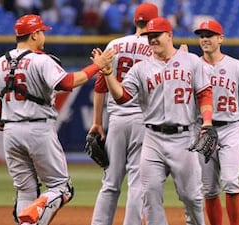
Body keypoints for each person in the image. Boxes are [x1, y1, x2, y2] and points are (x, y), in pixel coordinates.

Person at [0, 14, 114, 225]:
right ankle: (39, 206)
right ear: (34, 34)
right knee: (63, 188)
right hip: (38, 130)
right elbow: (69, 82)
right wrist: (97, 66)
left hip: (10, 133)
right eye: (42, 31)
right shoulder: (41, 60)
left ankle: (29, 218)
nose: (44, 35)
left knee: (25, 189)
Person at [101, 16, 214, 225]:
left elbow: (205, 93)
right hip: (152, 138)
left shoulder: (191, 61)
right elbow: (122, 97)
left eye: (156, 36)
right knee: (150, 195)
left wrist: (207, 121)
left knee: (192, 197)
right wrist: (108, 73)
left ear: (169, 35)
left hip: (184, 138)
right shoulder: (140, 69)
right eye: (149, 36)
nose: (152, 40)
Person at [88, 3, 158, 225]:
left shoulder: (114, 45)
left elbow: (100, 86)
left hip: (117, 119)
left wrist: (97, 122)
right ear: (154, 22)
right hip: (144, 119)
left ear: (135, 21)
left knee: (110, 182)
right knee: (138, 181)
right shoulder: (158, 47)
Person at [193, 19, 239, 225]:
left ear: (220, 38)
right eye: (202, 36)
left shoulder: (236, 66)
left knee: (231, 182)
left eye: (209, 35)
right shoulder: (193, 66)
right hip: (202, 129)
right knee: (209, 189)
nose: (205, 39)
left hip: (230, 128)